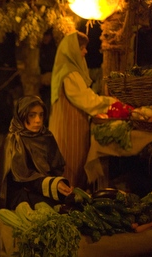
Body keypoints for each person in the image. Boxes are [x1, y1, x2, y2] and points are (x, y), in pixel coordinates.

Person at [0, 96, 73, 229]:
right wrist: (52, 185)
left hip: (45, 188)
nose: (38, 120)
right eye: (32, 115)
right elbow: (23, 177)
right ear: (22, 116)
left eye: (41, 115)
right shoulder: (14, 140)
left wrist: (58, 184)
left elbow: (55, 167)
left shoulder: (46, 136)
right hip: (22, 193)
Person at [49, 31, 117, 189]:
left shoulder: (66, 70)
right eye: (81, 48)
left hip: (69, 127)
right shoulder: (70, 73)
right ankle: (66, 208)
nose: (85, 51)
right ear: (71, 50)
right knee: (69, 168)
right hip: (69, 129)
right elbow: (87, 101)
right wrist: (111, 104)